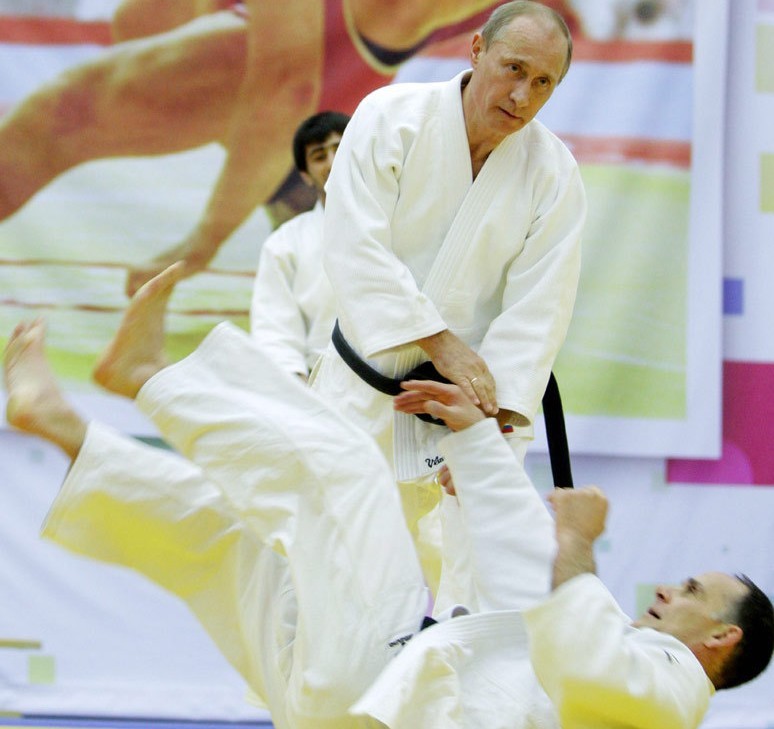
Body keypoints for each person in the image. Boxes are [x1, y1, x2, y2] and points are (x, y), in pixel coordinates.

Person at [5, 263, 772, 728]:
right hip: (354, 703)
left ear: (721, 637)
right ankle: (61, 422)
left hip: (378, 689)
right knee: (230, 539)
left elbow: (580, 643)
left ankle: (147, 376)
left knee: (342, 470)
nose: (668, 589)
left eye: (692, 590)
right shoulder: (623, 675)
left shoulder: (670, 697)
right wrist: (475, 456)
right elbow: (516, 591)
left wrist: (578, 540)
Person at [311, 1, 586, 587]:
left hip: (466, 420)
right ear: (477, 49)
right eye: (514, 69)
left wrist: (492, 439)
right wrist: (440, 343)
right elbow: (354, 246)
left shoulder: (554, 173)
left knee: (466, 590)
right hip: (359, 396)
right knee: (326, 578)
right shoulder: (390, 117)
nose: (523, 95)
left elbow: (539, 311)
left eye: (544, 83)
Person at [0, 0, 505, 296]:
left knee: (57, 116)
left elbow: (287, 89)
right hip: (326, 79)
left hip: (313, 81)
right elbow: (140, 24)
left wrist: (202, 243)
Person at [249, 111, 349, 380]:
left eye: (340, 148)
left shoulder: (399, 221)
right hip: (321, 386)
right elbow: (275, 332)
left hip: (405, 387)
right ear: (305, 175)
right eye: (319, 156)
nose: (333, 162)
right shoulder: (284, 244)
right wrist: (296, 387)